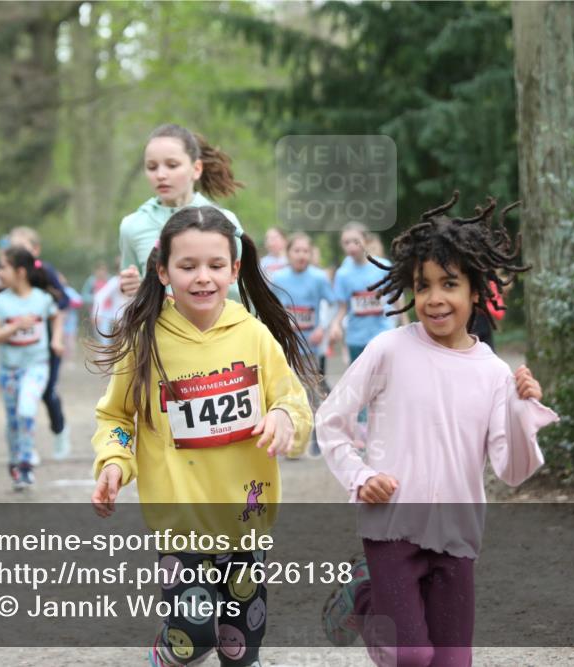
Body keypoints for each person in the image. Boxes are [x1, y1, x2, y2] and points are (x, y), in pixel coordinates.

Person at [316, 193, 558, 666]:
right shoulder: (389, 349)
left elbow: (512, 470)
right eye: (423, 286)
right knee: (410, 654)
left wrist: (524, 409)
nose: (434, 298)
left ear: (476, 291)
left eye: (449, 284)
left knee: (450, 662)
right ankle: (365, 603)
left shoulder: (493, 373)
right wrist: (360, 477)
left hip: (457, 534)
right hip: (391, 527)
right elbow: (332, 421)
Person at [89, 207, 315, 667]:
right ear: (162, 270)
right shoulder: (144, 339)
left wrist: (285, 420)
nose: (202, 278)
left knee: (239, 646)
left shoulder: (253, 335)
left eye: (215, 266)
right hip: (181, 521)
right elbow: (116, 415)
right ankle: (166, 652)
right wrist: (114, 462)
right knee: (192, 637)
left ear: (234, 269)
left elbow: (294, 403)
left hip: (245, 520)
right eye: (187, 266)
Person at [118, 124, 244, 299]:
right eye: (152, 167)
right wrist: (130, 288)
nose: (161, 175)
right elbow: (132, 297)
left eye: (172, 165)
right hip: (156, 327)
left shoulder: (225, 222)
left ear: (196, 169)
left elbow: (241, 293)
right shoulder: (132, 226)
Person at [0, 246, 64, 490]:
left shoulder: (42, 299)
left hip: (37, 366)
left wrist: (56, 340)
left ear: (20, 271)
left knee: (27, 410)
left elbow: (57, 316)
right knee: (13, 421)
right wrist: (15, 327)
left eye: (3, 267)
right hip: (9, 371)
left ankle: (26, 463)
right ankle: (15, 461)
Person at [5, 226, 72, 460]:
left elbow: (65, 300)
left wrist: (48, 311)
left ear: (35, 250)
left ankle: (59, 429)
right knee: (21, 397)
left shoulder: (45, 271)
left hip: (47, 343)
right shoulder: (6, 274)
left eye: (22, 248)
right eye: (12, 248)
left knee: (46, 393)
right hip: (19, 345)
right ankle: (27, 447)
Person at [271, 232, 335, 456]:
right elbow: (269, 307)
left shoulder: (318, 278)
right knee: (288, 393)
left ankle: (316, 438)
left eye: (305, 251)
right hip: (286, 346)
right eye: (297, 250)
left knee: (311, 393)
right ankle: (292, 441)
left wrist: (323, 327)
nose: (301, 255)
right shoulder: (279, 278)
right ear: (288, 254)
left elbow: (333, 303)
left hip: (310, 346)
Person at [328, 222, 396, 365]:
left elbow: (396, 299)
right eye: (346, 243)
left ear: (366, 241)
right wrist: (335, 324)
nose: (351, 246)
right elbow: (342, 307)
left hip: (383, 335)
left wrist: (405, 324)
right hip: (356, 339)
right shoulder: (342, 274)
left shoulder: (383, 267)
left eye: (356, 241)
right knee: (360, 384)